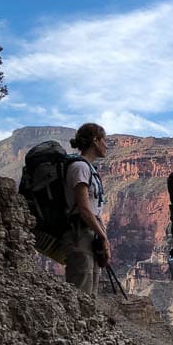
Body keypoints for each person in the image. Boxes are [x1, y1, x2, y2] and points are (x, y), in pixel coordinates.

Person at [62, 122, 110, 296]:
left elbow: (94, 209)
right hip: (79, 234)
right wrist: (103, 237)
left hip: (90, 234)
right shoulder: (80, 168)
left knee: (90, 294)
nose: (106, 145)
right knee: (80, 293)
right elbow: (84, 209)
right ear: (95, 141)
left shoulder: (90, 169)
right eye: (104, 141)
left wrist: (103, 238)